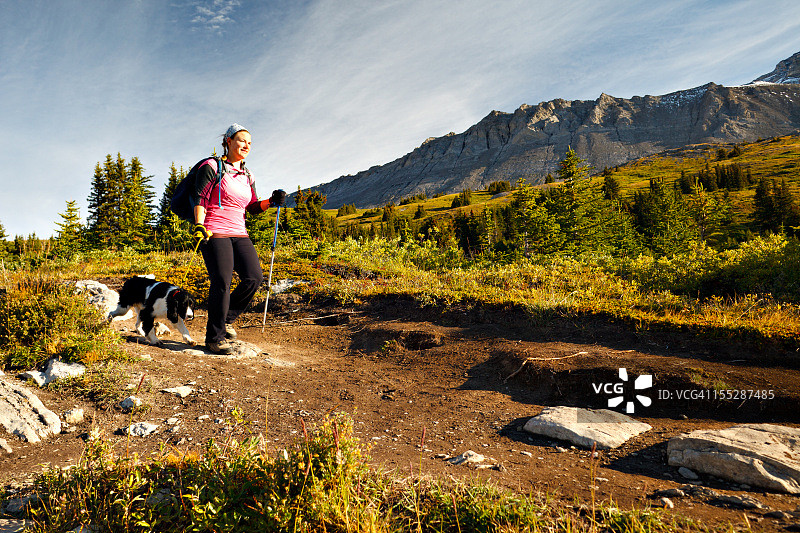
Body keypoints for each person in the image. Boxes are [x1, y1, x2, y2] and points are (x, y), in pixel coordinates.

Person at [190, 123, 286, 354]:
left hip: (239, 232)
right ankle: (214, 338)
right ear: (229, 141)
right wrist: (199, 225)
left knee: (254, 277)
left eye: (250, 143)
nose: (246, 146)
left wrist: (271, 202)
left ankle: (227, 319)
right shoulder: (212, 166)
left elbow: (252, 207)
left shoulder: (247, 174)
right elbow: (199, 197)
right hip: (214, 230)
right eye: (242, 140)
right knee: (222, 282)